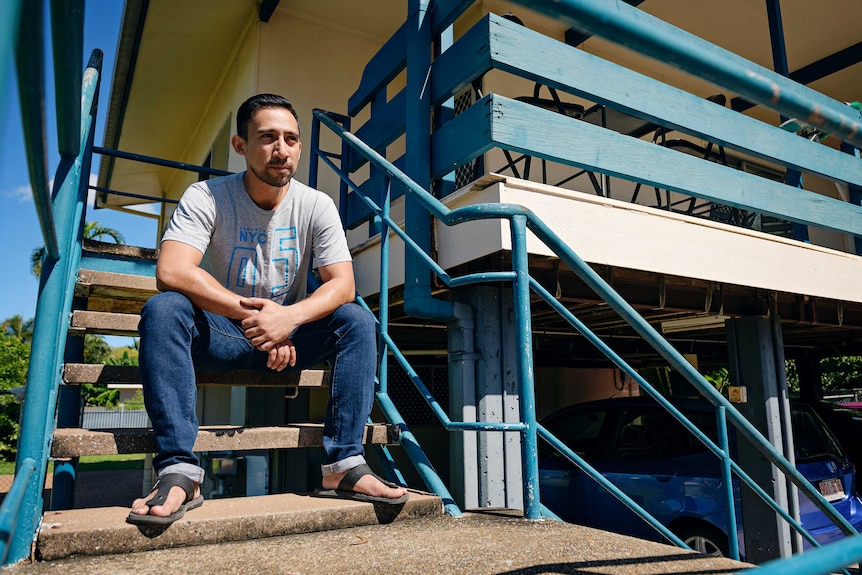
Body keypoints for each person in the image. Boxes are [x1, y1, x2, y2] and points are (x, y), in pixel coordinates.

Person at [128, 93, 408, 526]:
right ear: (240, 145)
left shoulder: (316, 205)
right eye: (268, 137)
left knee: (357, 319)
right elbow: (172, 270)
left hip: (289, 333)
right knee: (164, 309)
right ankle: (179, 470)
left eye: (292, 139)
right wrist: (258, 319)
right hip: (223, 331)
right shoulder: (207, 196)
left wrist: (289, 320)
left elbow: (343, 285)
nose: (282, 149)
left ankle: (345, 466)